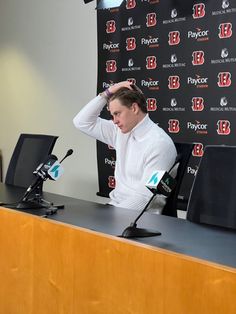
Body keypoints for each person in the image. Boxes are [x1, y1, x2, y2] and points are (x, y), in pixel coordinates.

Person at [73, 81, 177, 213]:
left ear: (134, 108)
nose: (114, 121)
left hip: (142, 219)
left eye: (117, 113)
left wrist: (110, 216)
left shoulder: (160, 144)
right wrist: (108, 93)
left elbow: (145, 197)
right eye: (112, 115)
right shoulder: (121, 131)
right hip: (116, 209)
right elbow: (81, 122)